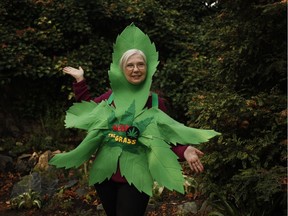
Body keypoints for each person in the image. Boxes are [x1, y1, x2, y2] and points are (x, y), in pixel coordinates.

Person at [62, 49, 205, 216]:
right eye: (130, 65)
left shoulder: (154, 103)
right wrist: (80, 81)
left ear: (147, 69)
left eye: (140, 64)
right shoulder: (111, 98)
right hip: (105, 175)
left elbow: (165, 138)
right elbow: (88, 111)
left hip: (136, 176)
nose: (135, 69)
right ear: (123, 71)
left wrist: (184, 150)